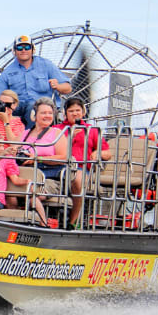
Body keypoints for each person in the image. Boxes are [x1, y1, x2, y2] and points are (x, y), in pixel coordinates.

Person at [0, 35, 72, 127]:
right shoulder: (8, 72)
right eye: (19, 48)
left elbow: (68, 88)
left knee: (32, 107)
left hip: (41, 107)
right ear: (14, 51)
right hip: (16, 106)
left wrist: (58, 86)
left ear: (33, 50)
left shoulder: (46, 65)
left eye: (27, 47)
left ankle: (30, 141)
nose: (23, 50)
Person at [53, 97, 112, 227]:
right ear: (65, 113)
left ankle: (73, 221)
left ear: (83, 112)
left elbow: (108, 154)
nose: (75, 113)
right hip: (58, 165)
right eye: (71, 111)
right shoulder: (58, 129)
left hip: (80, 167)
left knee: (77, 180)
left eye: (77, 110)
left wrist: (98, 153)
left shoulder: (92, 130)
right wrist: (71, 135)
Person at [16, 97, 69, 181]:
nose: (47, 116)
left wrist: (37, 159)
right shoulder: (24, 134)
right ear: (34, 115)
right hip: (24, 174)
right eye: (43, 113)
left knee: (34, 189)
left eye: (50, 113)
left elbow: (63, 158)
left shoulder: (57, 133)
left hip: (47, 177)